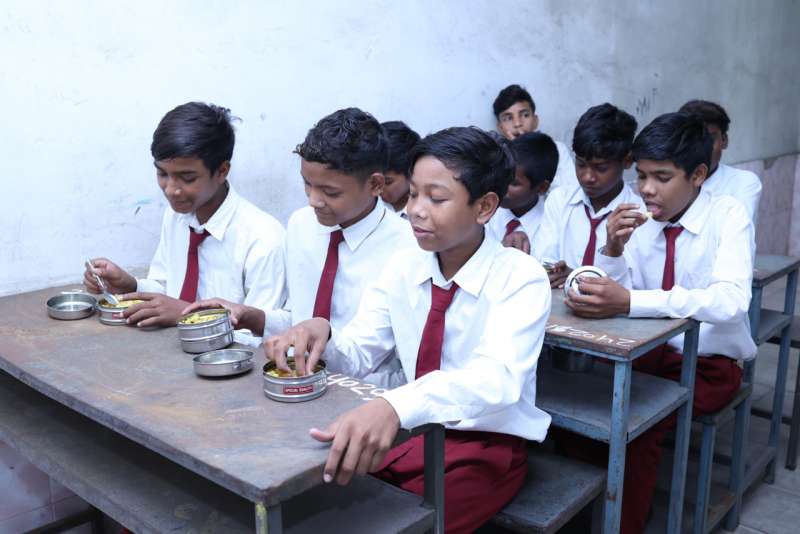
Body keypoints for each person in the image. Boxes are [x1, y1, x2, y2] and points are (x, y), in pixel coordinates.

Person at [264, 126, 551, 533]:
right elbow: (361, 351)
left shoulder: (520, 277)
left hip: (480, 445)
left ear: (485, 207)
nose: (416, 209)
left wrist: (396, 406)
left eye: (436, 198)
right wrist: (323, 334)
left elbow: (495, 380)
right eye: (413, 194)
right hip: (411, 430)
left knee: (403, 523)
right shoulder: (404, 265)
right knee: (315, 500)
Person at [565, 111, 756, 534]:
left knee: (635, 428)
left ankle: (625, 523)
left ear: (698, 175)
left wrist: (632, 301)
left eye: (662, 177)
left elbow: (731, 302)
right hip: (642, 358)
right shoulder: (639, 217)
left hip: (708, 366)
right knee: (578, 414)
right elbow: (618, 296)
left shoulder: (728, 216)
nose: (647, 188)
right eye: (641, 176)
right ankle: (586, 512)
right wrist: (612, 250)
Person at [185, 108, 414, 388]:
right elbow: (298, 317)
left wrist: (322, 337)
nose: (313, 200)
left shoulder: (407, 248)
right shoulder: (302, 225)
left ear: (375, 184)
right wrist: (252, 317)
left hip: (366, 391)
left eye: (330, 192)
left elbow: (365, 357)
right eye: (307, 184)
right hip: (296, 380)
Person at [83, 102, 286, 335]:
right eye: (162, 173)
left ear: (222, 171)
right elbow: (167, 290)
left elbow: (264, 335)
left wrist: (187, 315)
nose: (171, 190)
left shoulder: (263, 239)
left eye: (187, 178)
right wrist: (129, 285)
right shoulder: (177, 216)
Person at [534, 103, 643, 287]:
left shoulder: (639, 216)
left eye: (601, 168)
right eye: (581, 164)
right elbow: (542, 263)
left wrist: (574, 278)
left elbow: (636, 288)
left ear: (627, 161)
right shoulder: (560, 200)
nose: (587, 177)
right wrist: (553, 271)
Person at [679, 99, 762, 224]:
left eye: (710, 139)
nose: (701, 148)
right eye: (692, 139)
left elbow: (733, 228)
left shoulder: (744, 183)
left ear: (724, 141)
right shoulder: (668, 180)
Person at [493, 83, 576, 192]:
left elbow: (569, 190)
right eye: (508, 118)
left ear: (535, 121)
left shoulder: (558, 150)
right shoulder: (495, 158)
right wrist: (515, 151)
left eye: (525, 115)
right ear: (500, 128)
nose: (517, 123)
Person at [486, 131, 558, 254]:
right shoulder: (486, 212)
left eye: (513, 183)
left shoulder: (552, 226)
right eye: (501, 175)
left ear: (541, 188)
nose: (501, 186)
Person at [380, 120, 420, 218]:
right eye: (372, 180)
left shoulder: (422, 213)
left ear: (411, 172)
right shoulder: (367, 206)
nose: (378, 189)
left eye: (387, 182)